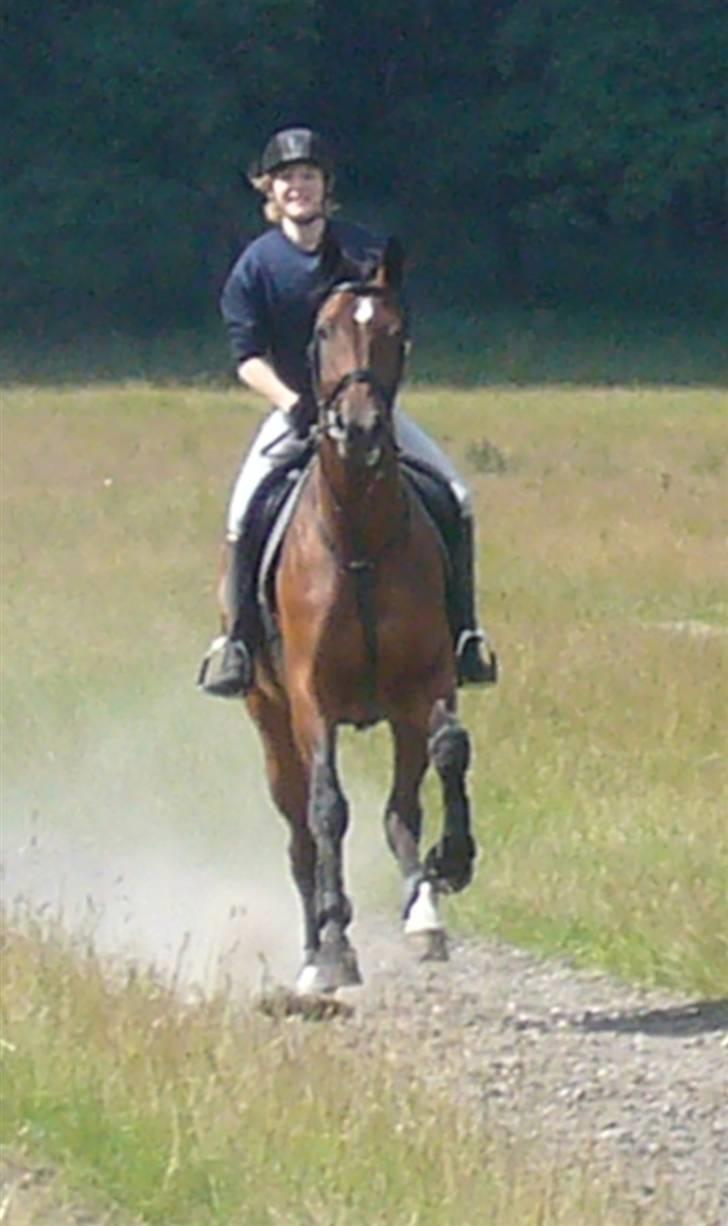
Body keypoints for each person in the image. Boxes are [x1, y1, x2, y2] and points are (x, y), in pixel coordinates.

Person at [200, 126, 496, 697]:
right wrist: (292, 405)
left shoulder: (364, 252)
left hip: (370, 411)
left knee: (456, 496)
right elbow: (247, 358)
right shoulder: (256, 267)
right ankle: (237, 643)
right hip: (294, 411)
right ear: (271, 189)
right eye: (286, 178)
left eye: (308, 176)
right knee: (245, 512)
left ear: (324, 186)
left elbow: (392, 328)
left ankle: (464, 637)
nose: (298, 187)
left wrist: (376, 397)